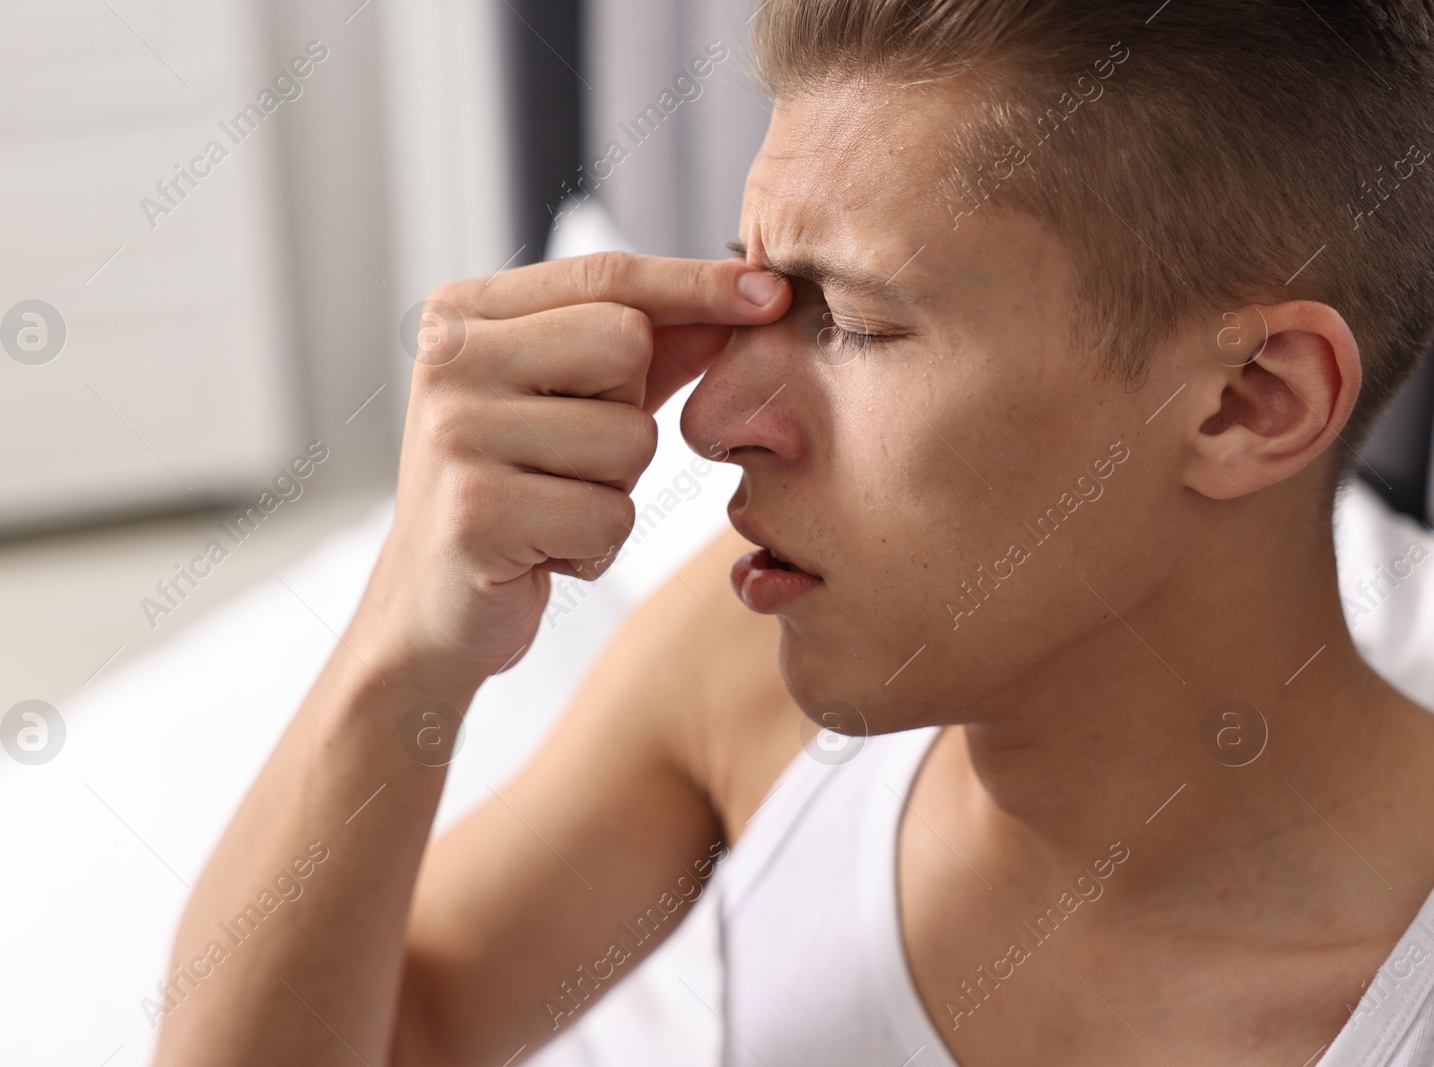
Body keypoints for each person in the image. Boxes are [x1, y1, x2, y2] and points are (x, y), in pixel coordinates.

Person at [152, 1, 1434, 1064]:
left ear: (1247, 400)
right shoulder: (737, 676)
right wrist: (405, 642)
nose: (715, 418)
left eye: (855, 322)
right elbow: (389, 1034)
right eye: (757, 289)